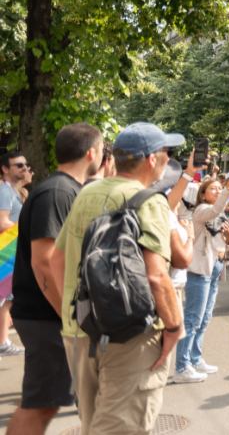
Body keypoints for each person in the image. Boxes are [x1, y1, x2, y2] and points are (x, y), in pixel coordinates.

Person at [52, 122, 185, 435]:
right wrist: (174, 327)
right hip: (131, 335)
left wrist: (71, 312)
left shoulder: (86, 193)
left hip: (81, 330)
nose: (170, 158)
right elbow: (156, 277)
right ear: (152, 159)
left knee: (94, 424)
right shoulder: (150, 201)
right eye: (167, 152)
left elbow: (56, 259)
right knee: (122, 428)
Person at [8, 124, 102, 434]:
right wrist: (69, 318)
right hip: (46, 316)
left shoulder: (65, 189)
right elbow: (44, 262)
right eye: (102, 148)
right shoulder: (58, 191)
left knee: (44, 402)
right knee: (40, 404)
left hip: (48, 315)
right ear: (92, 152)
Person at [174, 173, 229, 384]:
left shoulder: (217, 216)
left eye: (220, 189)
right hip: (200, 271)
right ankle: (182, 366)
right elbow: (216, 209)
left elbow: (223, 244)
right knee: (193, 319)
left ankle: (195, 357)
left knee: (204, 319)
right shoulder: (202, 211)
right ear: (202, 193)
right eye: (214, 189)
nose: (218, 191)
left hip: (214, 268)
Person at [0, 148, 31, 357]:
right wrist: (26, 230)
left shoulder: (12, 190)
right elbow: (2, 223)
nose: (25, 168)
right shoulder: (4, 191)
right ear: (4, 168)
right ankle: (2, 343)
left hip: (9, 250)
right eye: (19, 165)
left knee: (6, 298)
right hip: (5, 251)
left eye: (26, 165)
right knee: (5, 298)